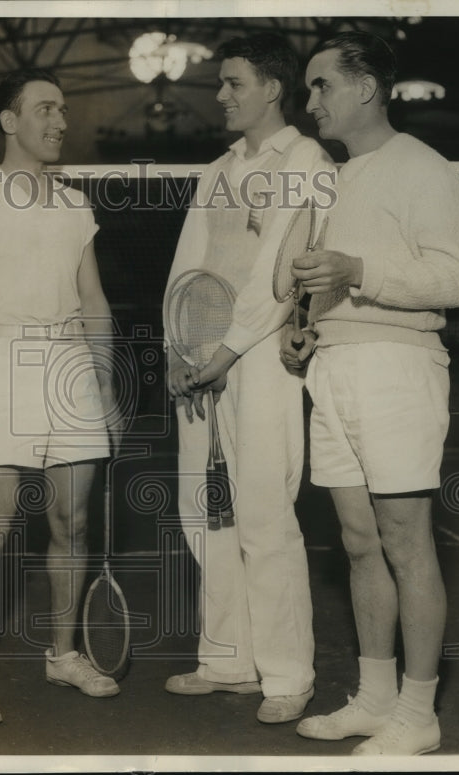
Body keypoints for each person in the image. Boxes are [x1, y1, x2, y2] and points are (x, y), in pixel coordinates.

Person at [283, 31, 459, 755]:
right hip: (334, 369)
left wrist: (356, 268)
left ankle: (419, 714)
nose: (311, 102)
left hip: (399, 370)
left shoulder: (423, 168)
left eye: (321, 85)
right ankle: (375, 697)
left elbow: (456, 280)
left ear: (365, 88)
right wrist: (304, 329)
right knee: (360, 543)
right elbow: (330, 282)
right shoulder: (336, 178)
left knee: (405, 543)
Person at [0, 68, 122, 726]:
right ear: (9, 121)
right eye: (45, 108)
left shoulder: (75, 204)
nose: (61, 121)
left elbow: (94, 301)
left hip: (68, 365)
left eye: (64, 109)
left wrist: (104, 386)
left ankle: (65, 651)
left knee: (72, 523)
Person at [163, 33, 335, 725]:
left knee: (265, 515)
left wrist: (225, 353)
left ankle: (288, 673)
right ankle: (226, 657)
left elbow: (277, 279)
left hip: (261, 358)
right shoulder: (217, 168)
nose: (221, 95)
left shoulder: (308, 162)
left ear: (272, 87)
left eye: (233, 82)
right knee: (203, 513)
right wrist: (181, 349)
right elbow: (187, 267)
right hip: (201, 358)